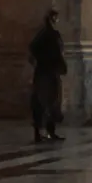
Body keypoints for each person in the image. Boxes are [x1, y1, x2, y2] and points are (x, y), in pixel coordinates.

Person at [27, 9, 67, 142]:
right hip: (48, 72)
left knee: (46, 102)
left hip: (45, 71)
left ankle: (45, 131)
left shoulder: (44, 34)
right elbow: (57, 52)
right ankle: (45, 131)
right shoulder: (50, 34)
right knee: (48, 101)